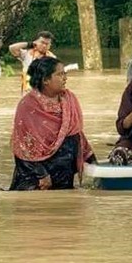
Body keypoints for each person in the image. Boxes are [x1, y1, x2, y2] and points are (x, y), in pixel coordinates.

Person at [9, 57, 95, 191]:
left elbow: (76, 134)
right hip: (36, 181)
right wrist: (42, 175)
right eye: (60, 74)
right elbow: (23, 148)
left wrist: (93, 162)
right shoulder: (28, 105)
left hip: (63, 175)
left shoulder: (69, 100)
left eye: (64, 74)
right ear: (45, 80)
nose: (65, 78)